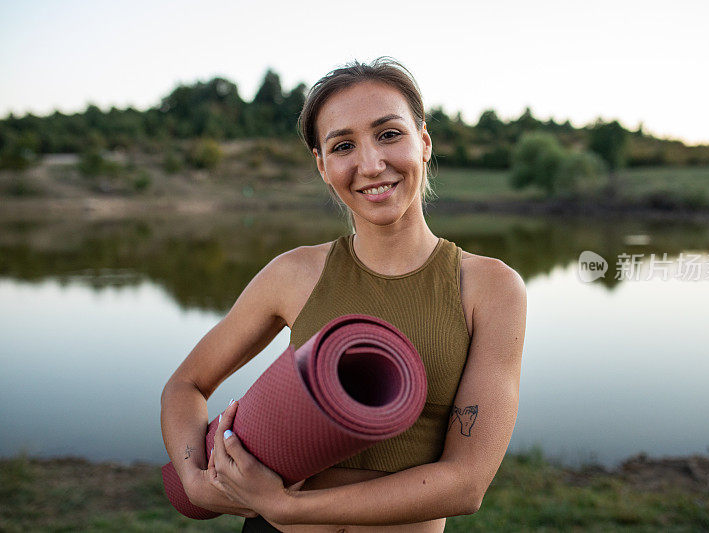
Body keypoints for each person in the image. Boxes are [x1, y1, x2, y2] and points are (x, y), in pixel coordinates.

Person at [160, 57, 527, 533]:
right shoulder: (294, 273)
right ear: (322, 165)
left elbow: (466, 483)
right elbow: (185, 386)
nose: (370, 164)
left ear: (425, 143)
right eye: (343, 145)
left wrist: (287, 507)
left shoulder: (490, 287)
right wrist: (191, 475)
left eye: (389, 134)